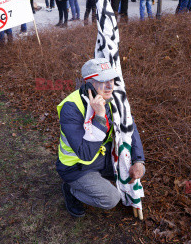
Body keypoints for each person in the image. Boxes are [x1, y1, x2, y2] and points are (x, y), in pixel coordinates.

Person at [56, 58, 145, 217]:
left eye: (111, 79)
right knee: (111, 199)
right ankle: (71, 190)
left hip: (103, 158)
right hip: (77, 167)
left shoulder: (114, 98)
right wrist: (100, 117)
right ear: (88, 83)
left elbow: (129, 127)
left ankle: (98, 181)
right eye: (103, 81)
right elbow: (85, 153)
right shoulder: (71, 108)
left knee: (134, 170)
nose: (110, 85)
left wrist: (138, 160)